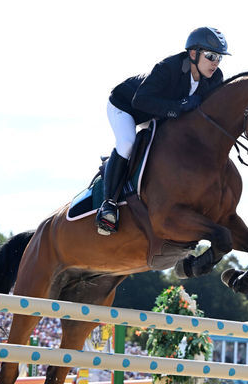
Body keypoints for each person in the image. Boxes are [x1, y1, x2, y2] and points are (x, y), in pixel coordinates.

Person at [96, 27, 230, 235]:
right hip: (126, 106)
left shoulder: (214, 78)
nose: (216, 62)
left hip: (159, 114)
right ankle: (109, 205)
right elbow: (140, 101)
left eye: (219, 58)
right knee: (127, 142)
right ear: (193, 54)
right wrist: (178, 106)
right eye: (211, 56)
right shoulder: (168, 67)